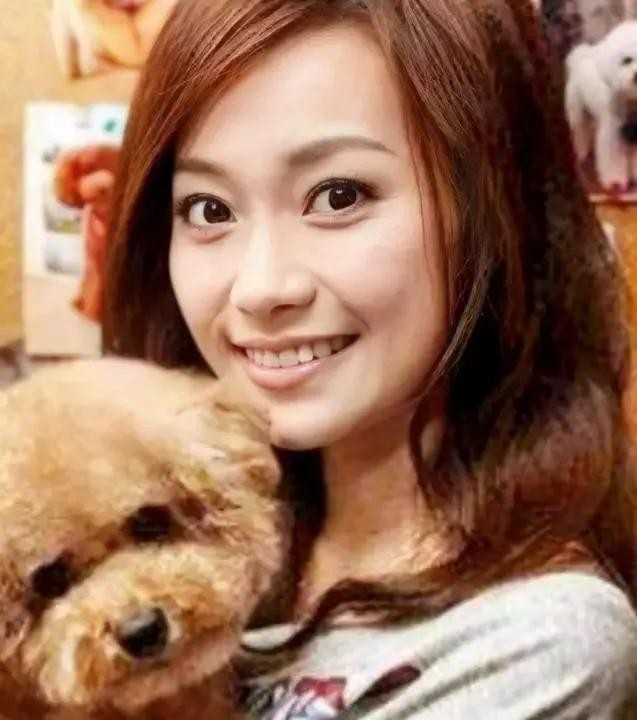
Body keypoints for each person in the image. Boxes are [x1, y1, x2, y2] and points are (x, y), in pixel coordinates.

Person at [102, 0, 637, 716]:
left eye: (338, 196)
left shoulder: (536, 641)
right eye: (210, 210)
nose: (260, 287)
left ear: (491, 208)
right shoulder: (175, 560)